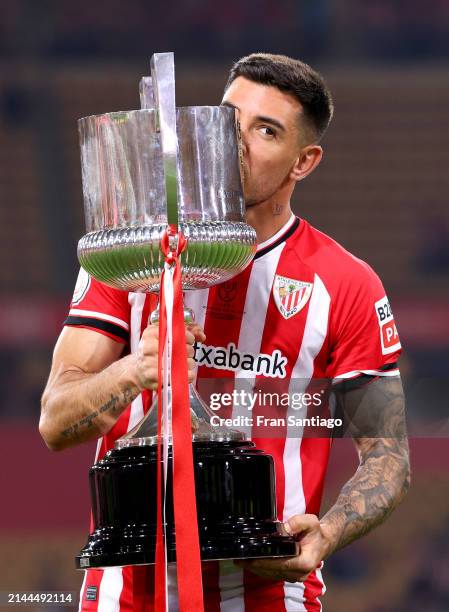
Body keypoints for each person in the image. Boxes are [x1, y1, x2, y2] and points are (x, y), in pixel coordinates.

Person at [40, 53, 410, 611]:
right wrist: (134, 370)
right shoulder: (133, 253)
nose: (237, 141)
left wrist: (326, 535)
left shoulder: (346, 283)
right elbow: (56, 422)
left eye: (266, 130)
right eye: (230, 119)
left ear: (303, 162)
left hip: (269, 593)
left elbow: (389, 455)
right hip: (127, 594)